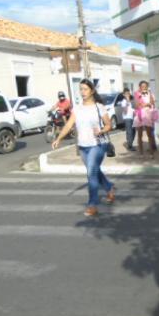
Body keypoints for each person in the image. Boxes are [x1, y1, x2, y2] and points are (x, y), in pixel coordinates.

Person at [52, 79, 114, 217]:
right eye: (81, 89)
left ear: (91, 91)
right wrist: (58, 139)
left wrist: (102, 131)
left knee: (91, 173)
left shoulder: (99, 107)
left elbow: (109, 125)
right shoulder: (78, 108)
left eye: (85, 89)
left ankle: (92, 205)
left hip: (98, 144)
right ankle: (109, 188)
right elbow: (68, 125)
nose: (82, 92)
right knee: (95, 171)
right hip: (83, 146)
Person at [133, 80, 158, 159]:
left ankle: (151, 153)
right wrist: (145, 104)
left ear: (147, 87)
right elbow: (137, 105)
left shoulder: (151, 94)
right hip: (139, 115)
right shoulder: (137, 94)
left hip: (147, 115)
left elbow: (152, 104)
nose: (143, 87)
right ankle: (141, 153)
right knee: (139, 135)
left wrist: (149, 98)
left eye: (145, 86)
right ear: (139, 87)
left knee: (149, 135)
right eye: (142, 86)